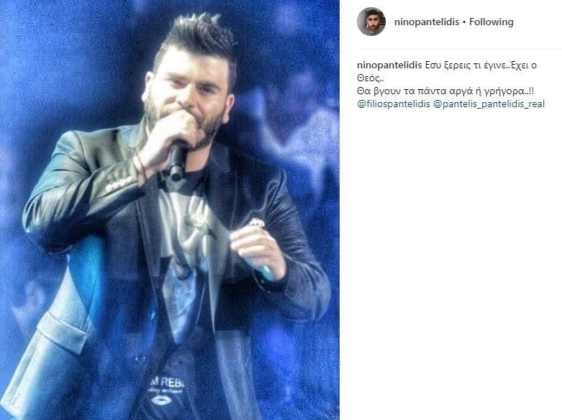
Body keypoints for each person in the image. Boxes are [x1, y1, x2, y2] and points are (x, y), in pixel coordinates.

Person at [1, 13, 330, 420]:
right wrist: (138, 167)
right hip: (93, 394)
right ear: (148, 87)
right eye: (175, 82)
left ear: (227, 107)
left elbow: (315, 295)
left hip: (203, 400)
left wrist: (278, 268)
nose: (187, 98)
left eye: (206, 88)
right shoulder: (87, 151)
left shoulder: (258, 185)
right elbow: (41, 223)